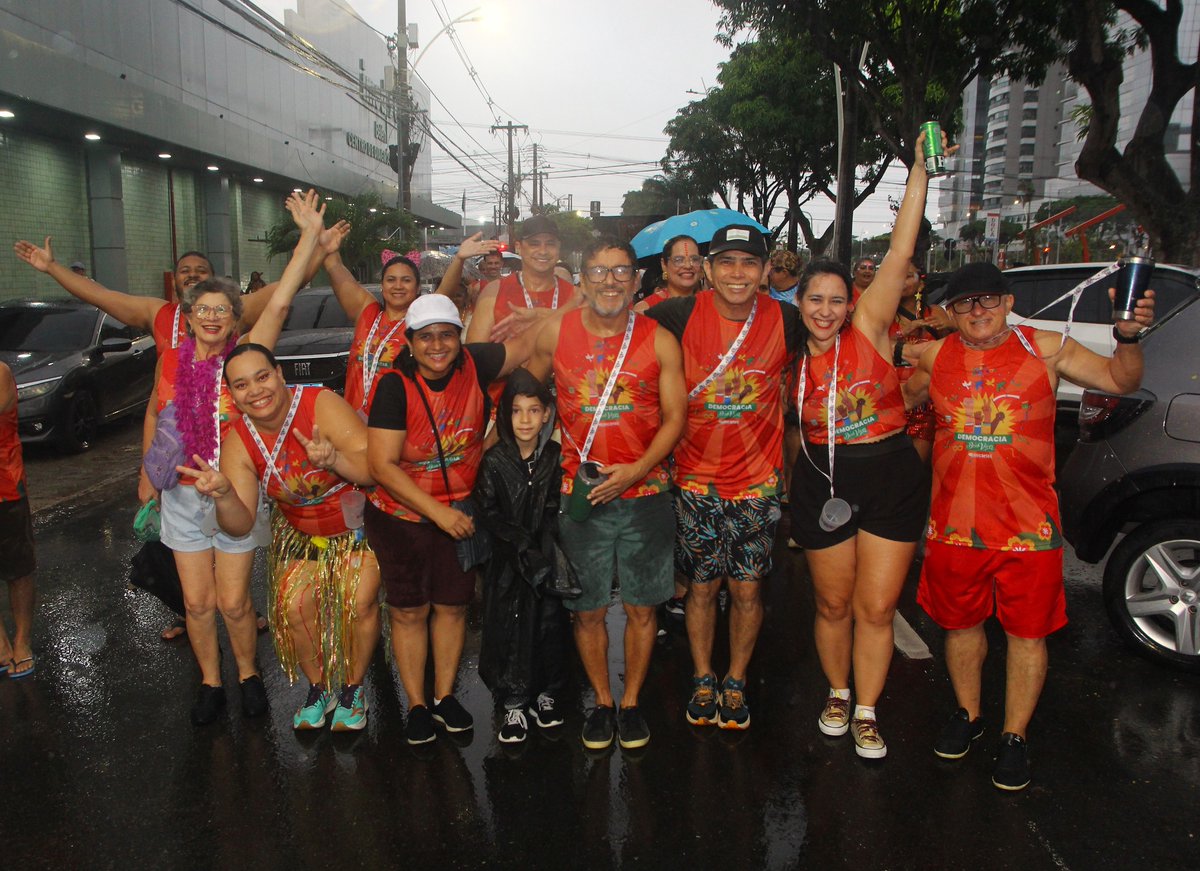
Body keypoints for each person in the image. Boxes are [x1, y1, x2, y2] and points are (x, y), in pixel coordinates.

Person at [903, 261, 1155, 791]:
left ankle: (1014, 736)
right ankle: (968, 714)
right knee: (961, 627)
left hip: (1028, 528)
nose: (978, 310)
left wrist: (1128, 336)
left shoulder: (1046, 348)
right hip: (955, 526)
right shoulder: (937, 354)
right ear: (951, 311)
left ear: (1008, 303)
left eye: (988, 299)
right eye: (965, 302)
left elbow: (1121, 379)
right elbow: (900, 398)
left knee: (1027, 634)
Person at [149, 190, 324, 726]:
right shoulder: (170, 361)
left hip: (236, 493)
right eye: (201, 309)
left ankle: (248, 674)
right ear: (188, 315)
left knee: (233, 602)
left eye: (221, 310)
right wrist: (145, 475)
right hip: (182, 496)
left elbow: (281, 299)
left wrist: (308, 236)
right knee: (196, 604)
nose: (211, 317)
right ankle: (210, 681)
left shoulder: (242, 357)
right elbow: (156, 417)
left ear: (233, 319)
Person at [791, 134, 938, 759]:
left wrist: (919, 172)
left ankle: (868, 710)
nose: (826, 311)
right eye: (814, 300)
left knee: (877, 608)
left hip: (891, 477)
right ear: (798, 303)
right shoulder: (788, 355)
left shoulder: (871, 329)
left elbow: (901, 246)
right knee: (832, 603)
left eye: (836, 300)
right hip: (822, 481)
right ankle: (837, 692)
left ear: (852, 302)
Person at [526, 237, 686, 751]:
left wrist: (637, 469)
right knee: (588, 610)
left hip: (647, 493)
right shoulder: (557, 332)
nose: (610, 282)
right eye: (598, 271)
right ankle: (600, 701)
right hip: (581, 496)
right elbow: (524, 394)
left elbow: (676, 418)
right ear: (582, 279)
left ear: (637, 281)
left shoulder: (660, 339)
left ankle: (631, 702)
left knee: (642, 608)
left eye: (621, 272)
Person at [646, 225, 804, 731]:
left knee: (748, 592)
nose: (738, 273)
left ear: (765, 271)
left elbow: (842, 332)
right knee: (700, 588)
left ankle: (735, 679)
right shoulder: (677, 314)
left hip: (757, 484)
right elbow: (614, 329)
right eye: (727, 262)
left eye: (749, 263)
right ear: (708, 270)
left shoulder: (787, 319)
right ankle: (702, 676)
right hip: (695, 482)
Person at [365, 294, 540, 746]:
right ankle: (416, 705)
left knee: (452, 606)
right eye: (426, 337)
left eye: (447, 335)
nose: (437, 345)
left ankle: (444, 697)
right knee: (409, 611)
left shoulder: (475, 363)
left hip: (460, 510)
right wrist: (438, 513)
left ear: (460, 337)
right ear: (410, 343)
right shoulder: (393, 386)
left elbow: (532, 343)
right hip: (402, 516)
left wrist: (552, 309)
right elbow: (382, 465)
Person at [182, 342, 380, 731]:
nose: (255, 391)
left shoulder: (321, 405)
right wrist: (224, 495)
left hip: (356, 527)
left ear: (279, 374)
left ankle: (354, 689)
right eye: (241, 385)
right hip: (300, 533)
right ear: (232, 394)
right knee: (294, 608)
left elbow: (373, 469)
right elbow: (239, 525)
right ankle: (319, 689)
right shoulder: (240, 439)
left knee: (358, 601)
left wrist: (335, 460)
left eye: (262, 377)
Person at [473, 369, 575, 744]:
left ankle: (546, 693)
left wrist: (542, 548)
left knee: (549, 626)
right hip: (508, 564)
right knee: (509, 628)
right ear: (505, 415)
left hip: (544, 559)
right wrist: (519, 545)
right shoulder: (494, 461)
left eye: (534, 410)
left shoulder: (554, 458)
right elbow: (489, 512)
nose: (526, 420)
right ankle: (513, 701)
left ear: (547, 414)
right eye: (517, 411)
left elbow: (555, 506)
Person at [467, 215, 576, 345]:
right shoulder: (494, 293)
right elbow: (474, 353)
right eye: (534, 244)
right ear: (519, 247)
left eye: (550, 244)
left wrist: (542, 316)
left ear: (559, 247)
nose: (543, 251)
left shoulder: (577, 297)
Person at [890, 261, 946, 462]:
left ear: (921, 284)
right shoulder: (884, 315)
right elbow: (870, 347)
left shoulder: (935, 313)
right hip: (892, 397)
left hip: (925, 401)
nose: (901, 281)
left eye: (908, 276)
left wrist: (948, 326)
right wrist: (902, 332)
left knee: (916, 465)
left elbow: (952, 349)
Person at [0, 363, 35, 679]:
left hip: (6, 487)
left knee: (19, 568)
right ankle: (0, 642)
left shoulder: (0, 372)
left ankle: (22, 640)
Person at [634, 235, 704, 314]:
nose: (688, 266)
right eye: (678, 260)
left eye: (694, 259)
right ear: (664, 265)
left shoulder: (711, 303)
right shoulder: (645, 309)